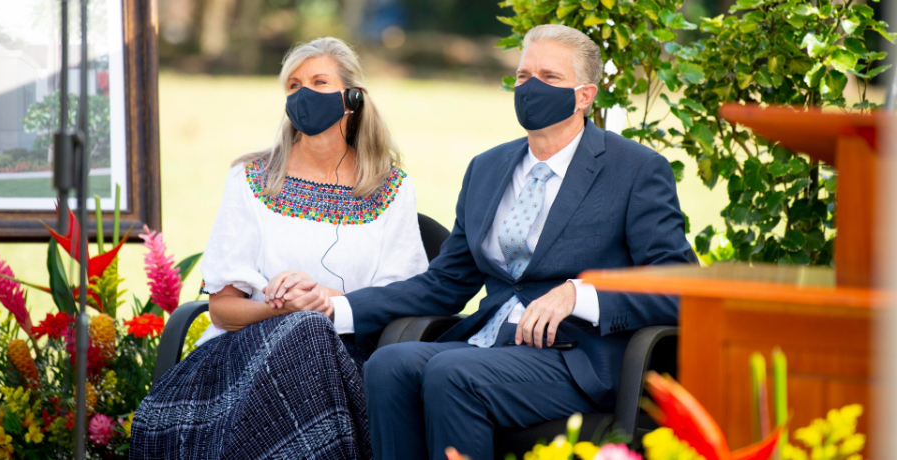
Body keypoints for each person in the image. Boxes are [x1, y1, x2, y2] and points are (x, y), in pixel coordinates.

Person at [324, 24, 696, 460]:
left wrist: (579, 294)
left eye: (550, 77)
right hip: (491, 343)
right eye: (523, 76)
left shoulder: (634, 170)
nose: (531, 87)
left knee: (451, 370)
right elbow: (445, 282)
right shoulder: (487, 167)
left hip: (576, 358)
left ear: (585, 95)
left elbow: (680, 285)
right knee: (390, 365)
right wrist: (341, 308)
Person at [129, 37, 429, 460]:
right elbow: (222, 309)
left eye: (319, 81)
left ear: (352, 98)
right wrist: (284, 309)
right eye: (293, 85)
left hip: (350, 360)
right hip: (245, 355)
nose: (303, 93)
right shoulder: (251, 180)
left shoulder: (392, 189)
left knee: (311, 328)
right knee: (305, 328)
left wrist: (321, 300)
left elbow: (401, 300)